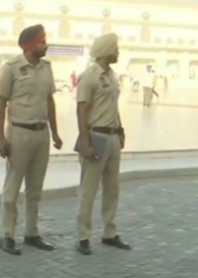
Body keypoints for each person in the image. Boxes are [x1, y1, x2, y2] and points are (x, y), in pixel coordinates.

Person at [0, 24, 63, 255]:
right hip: (19, 133)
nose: (47, 45)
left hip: (41, 132)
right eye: (43, 41)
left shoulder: (47, 68)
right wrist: (0, 138)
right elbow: (1, 103)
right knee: (12, 186)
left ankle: (32, 233)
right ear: (31, 45)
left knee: (35, 186)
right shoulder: (12, 68)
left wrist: (55, 132)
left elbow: (50, 102)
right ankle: (7, 234)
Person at [74, 32, 131, 255]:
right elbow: (81, 110)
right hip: (95, 136)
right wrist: (85, 141)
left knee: (112, 188)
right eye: (115, 48)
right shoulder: (89, 77)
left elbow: (113, 106)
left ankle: (109, 232)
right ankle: (83, 236)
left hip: (113, 136)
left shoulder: (113, 76)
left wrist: (121, 127)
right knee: (88, 189)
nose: (117, 52)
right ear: (107, 50)